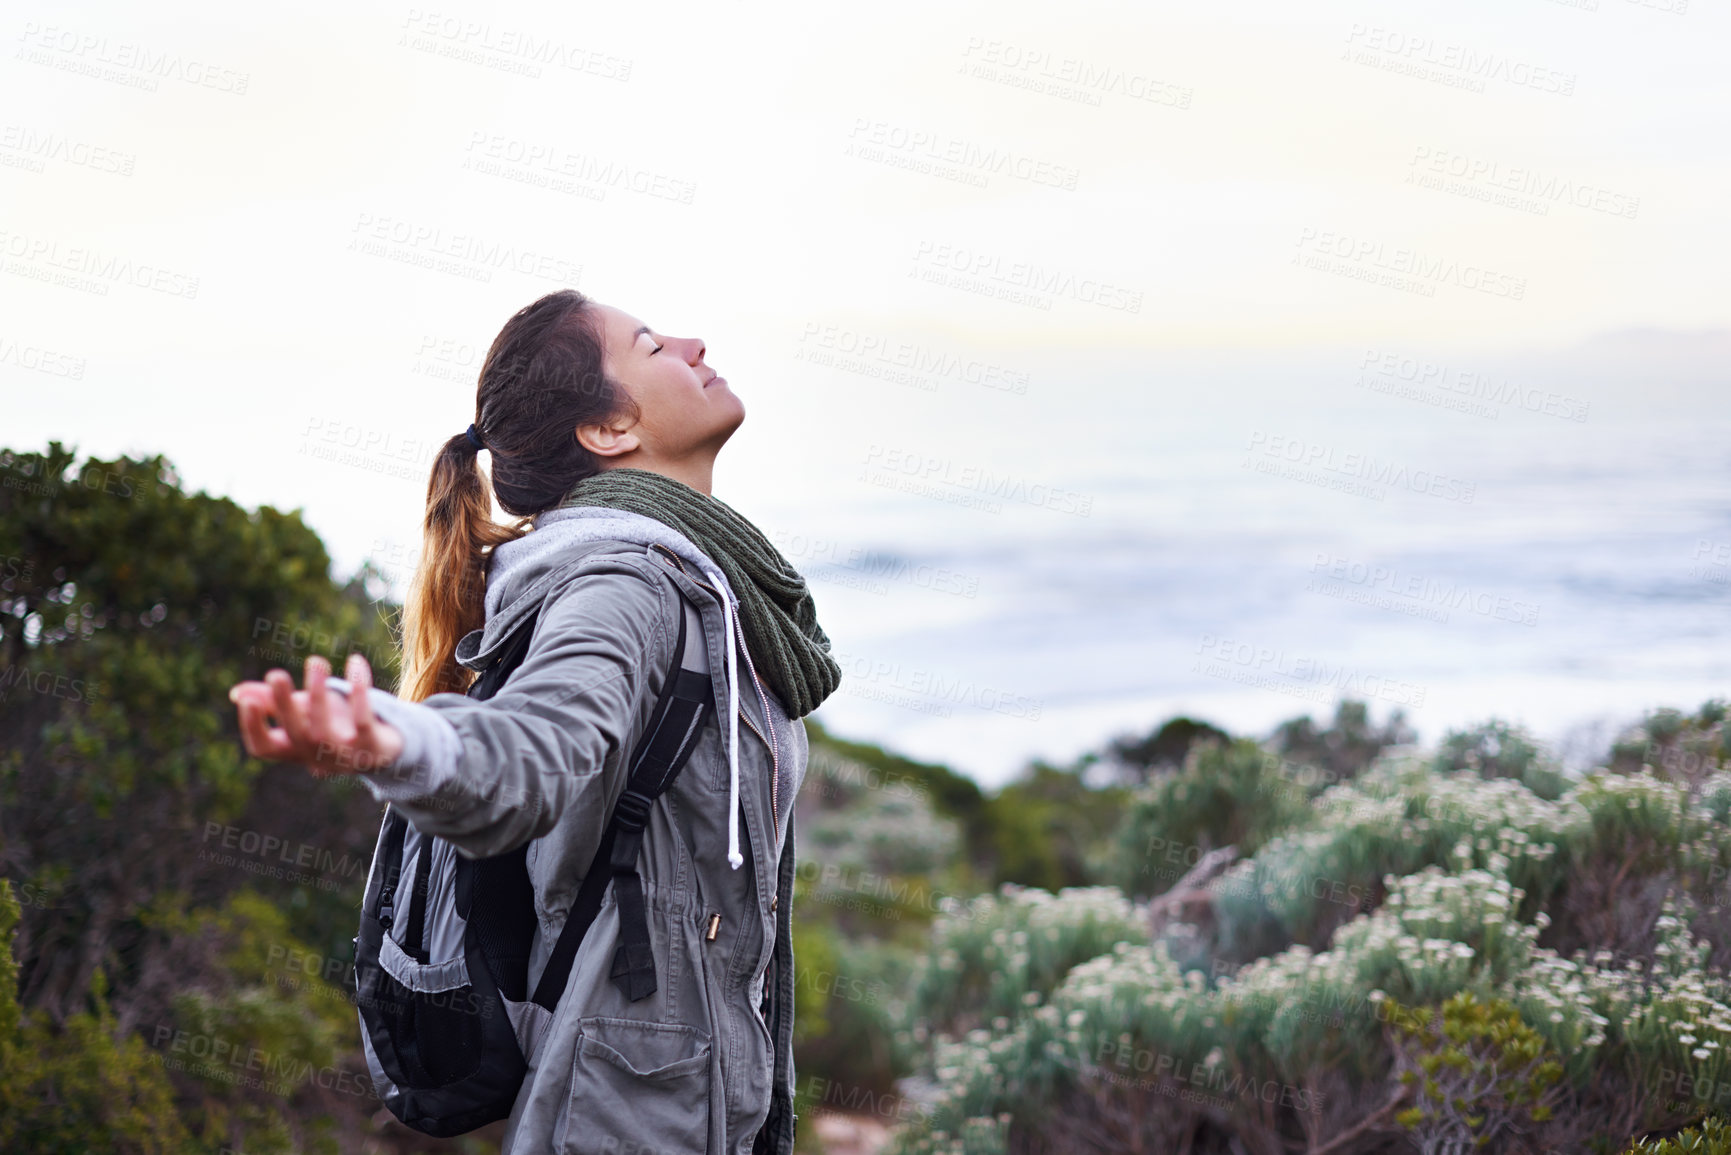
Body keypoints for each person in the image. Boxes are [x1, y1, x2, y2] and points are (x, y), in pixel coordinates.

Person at [227, 288, 842, 1154]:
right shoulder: (623, 585)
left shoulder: (703, 582)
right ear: (607, 431)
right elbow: (531, 752)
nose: (693, 341)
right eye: (653, 345)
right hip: (628, 1120)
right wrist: (399, 744)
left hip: (695, 1106)